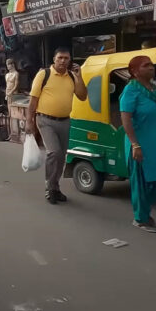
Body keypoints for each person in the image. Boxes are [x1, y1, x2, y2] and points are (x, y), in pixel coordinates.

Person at [120, 56, 156, 233]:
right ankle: (141, 218)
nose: (152, 68)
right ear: (135, 71)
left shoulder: (153, 89)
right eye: (146, 66)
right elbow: (125, 118)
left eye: (152, 65)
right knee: (141, 183)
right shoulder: (131, 90)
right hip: (140, 143)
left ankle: (144, 208)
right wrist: (135, 145)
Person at [26, 47, 88, 204]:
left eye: (66, 58)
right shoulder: (44, 74)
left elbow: (82, 96)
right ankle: (49, 187)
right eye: (60, 57)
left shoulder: (72, 77)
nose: (63, 61)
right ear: (54, 59)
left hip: (65, 121)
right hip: (45, 120)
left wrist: (79, 77)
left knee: (62, 156)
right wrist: (29, 122)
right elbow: (33, 101)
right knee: (54, 152)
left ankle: (55, 187)